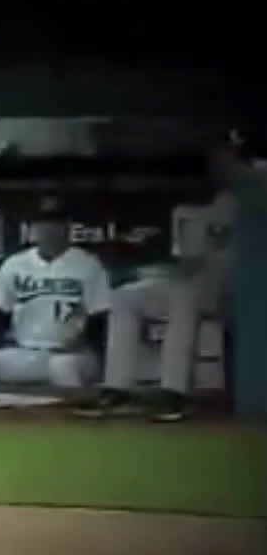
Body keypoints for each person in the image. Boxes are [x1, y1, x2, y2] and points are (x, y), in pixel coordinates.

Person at [76, 131, 247, 422]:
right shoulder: (185, 210)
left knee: (184, 293)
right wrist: (161, 270)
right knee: (125, 298)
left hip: (239, 288)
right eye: (215, 161)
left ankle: (174, 393)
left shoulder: (245, 201)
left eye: (226, 161)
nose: (219, 168)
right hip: (198, 286)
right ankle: (118, 388)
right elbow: (186, 263)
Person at [0, 197, 110, 390]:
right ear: (33, 229)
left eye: (56, 223)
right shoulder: (15, 264)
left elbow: (100, 316)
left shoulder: (88, 265)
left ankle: (70, 420)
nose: (49, 229)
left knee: (62, 367)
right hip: (23, 351)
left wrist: (87, 343)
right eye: (43, 223)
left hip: (73, 355)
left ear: (68, 227)